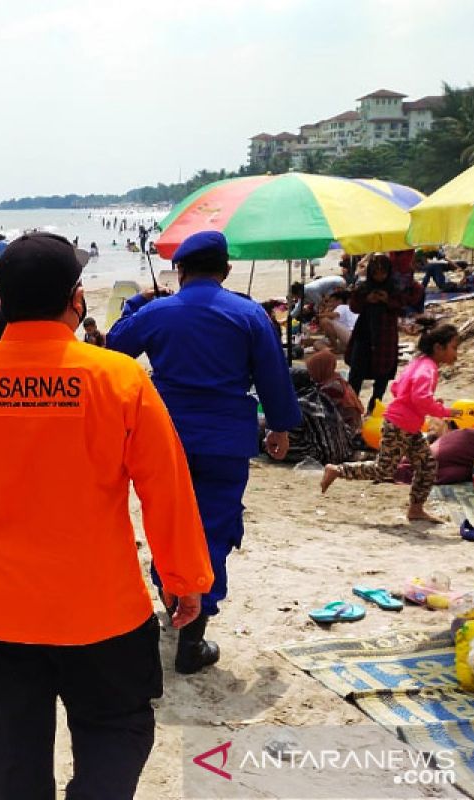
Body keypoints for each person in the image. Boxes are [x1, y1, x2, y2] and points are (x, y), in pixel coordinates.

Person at [0, 232, 212, 799]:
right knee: (116, 729)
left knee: (13, 742)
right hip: (103, 614)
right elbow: (166, 489)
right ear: (76, 299)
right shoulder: (118, 379)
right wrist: (184, 578)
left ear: (2, 303)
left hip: (0, 615)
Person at [107, 231, 300, 672]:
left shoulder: (158, 312)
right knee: (212, 529)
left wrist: (138, 304)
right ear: (226, 269)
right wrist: (281, 427)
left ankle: (174, 601)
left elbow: (114, 352)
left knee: (166, 523)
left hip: (163, 439)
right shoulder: (250, 314)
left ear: (180, 271)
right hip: (226, 440)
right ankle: (191, 640)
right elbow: (274, 377)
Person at [321, 323, 462, 522]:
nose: (456, 354)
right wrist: (443, 410)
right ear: (439, 348)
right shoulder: (428, 369)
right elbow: (419, 397)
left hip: (406, 426)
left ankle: (416, 509)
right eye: (453, 348)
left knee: (427, 465)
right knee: (384, 469)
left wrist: (424, 404)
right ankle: (338, 470)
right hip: (400, 426)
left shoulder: (419, 363)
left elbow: (397, 388)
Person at [346, 254, 405, 412]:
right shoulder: (363, 288)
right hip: (364, 333)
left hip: (386, 335)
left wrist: (387, 300)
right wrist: (367, 299)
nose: (379, 276)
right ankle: (352, 408)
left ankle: (374, 407)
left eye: (382, 272)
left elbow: (403, 308)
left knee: (383, 374)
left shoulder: (395, 288)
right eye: (375, 272)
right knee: (356, 373)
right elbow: (353, 307)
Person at [305, 349, 363, 433]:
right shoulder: (334, 378)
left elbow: (319, 412)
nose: (310, 375)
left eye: (312, 371)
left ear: (320, 369)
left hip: (348, 431)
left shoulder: (331, 388)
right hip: (350, 426)